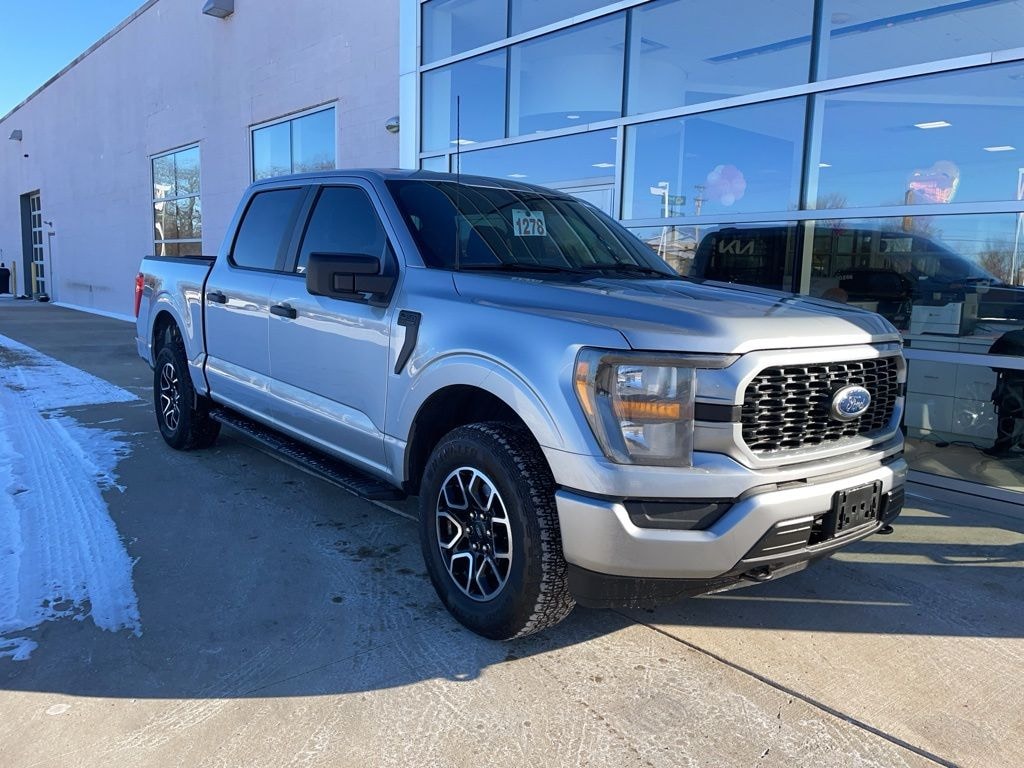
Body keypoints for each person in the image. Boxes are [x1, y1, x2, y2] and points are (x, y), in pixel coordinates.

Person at [984, 329, 1024, 457]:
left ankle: (1002, 447)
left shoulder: (1010, 336)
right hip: (1014, 388)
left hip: (1012, 387)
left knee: (1007, 416)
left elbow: (991, 360)